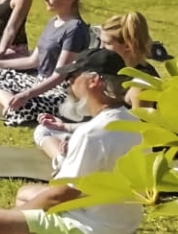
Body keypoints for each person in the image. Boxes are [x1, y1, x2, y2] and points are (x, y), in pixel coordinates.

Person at [0, 48, 142, 234]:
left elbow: (63, 194)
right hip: (119, 223)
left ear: (93, 81)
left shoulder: (92, 133)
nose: (69, 83)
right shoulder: (134, 123)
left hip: (92, 230)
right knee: (24, 194)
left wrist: (14, 215)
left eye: (73, 77)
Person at [0, 0, 91, 127]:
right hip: (38, 82)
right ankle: (10, 103)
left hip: (61, 92)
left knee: (26, 106)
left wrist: (26, 95)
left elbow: (60, 76)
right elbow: (33, 61)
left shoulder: (75, 29)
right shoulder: (52, 22)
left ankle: (15, 105)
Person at [37, 14, 156, 152]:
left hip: (130, 150)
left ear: (128, 46)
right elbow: (109, 123)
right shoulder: (117, 71)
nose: (100, 47)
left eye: (106, 43)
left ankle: (62, 161)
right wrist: (65, 126)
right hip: (111, 136)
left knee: (50, 134)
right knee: (45, 129)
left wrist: (80, 142)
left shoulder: (140, 85)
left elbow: (137, 136)